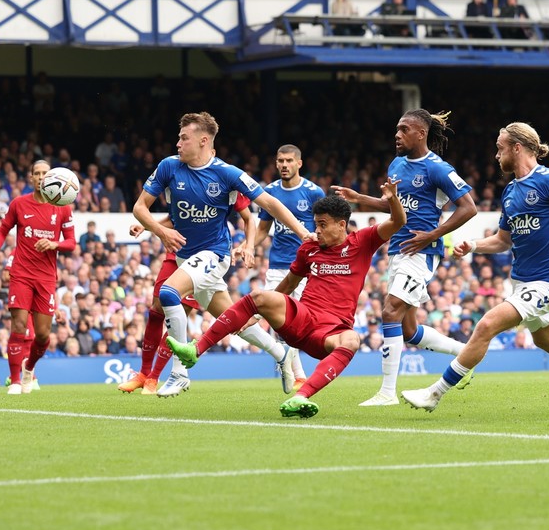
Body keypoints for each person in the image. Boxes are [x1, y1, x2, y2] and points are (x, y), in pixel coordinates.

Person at [401, 122, 549, 412]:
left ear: (517, 147)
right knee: (547, 341)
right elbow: (502, 241)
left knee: (487, 325)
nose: (496, 155)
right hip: (522, 281)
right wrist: (473, 246)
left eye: (500, 148)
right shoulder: (510, 192)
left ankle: (434, 394)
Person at [167, 188, 405, 418]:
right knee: (259, 295)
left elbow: (398, 221)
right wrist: (257, 314)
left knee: (352, 339)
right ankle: (195, 350)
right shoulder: (309, 248)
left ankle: (301, 397)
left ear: (341, 225)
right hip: (302, 318)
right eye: (316, 224)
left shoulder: (362, 241)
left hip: (330, 333)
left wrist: (392, 199)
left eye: (323, 225)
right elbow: (289, 285)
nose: (317, 231)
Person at [132, 112, 313, 397]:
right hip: (186, 257)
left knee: (168, 294)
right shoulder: (168, 167)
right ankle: (282, 355)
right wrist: (160, 231)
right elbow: (139, 208)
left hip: (215, 254)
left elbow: (269, 203)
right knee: (235, 320)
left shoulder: (227, 173)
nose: (178, 143)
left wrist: (303, 233)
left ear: (204, 141)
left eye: (184, 138)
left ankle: (180, 373)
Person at [334, 109, 477, 407]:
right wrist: (360, 199)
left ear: (420, 133)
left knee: (390, 312)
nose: (397, 135)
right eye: (396, 129)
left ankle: (387, 393)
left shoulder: (438, 168)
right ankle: (465, 352)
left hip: (421, 252)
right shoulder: (396, 165)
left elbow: (468, 207)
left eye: (403, 130)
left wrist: (432, 234)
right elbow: (394, 207)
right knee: (409, 331)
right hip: (399, 250)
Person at [119, 192, 255, 395]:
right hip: (176, 253)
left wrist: (248, 245)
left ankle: (154, 378)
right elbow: (173, 219)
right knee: (156, 312)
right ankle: (143, 374)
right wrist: (146, 226)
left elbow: (248, 217)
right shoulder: (178, 174)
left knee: (176, 317)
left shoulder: (225, 180)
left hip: (203, 260)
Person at [0, 160, 76, 395]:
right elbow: (3, 229)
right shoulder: (19, 203)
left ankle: (29, 368)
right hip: (21, 274)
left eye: (45, 173)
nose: (40, 177)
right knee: (18, 327)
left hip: (46, 278)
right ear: (31, 178)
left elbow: (71, 242)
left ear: (51, 177)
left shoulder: (63, 207)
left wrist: (54, 243)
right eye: (37, 173)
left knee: (44, 335)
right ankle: (15, 381)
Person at [253, 144, 326, 391]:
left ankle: (295, 371)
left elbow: (324, 228)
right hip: (277, 266)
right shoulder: (270, 192)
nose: (284, 165)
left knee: (300, 320)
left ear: (299, 164)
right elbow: (263, 229)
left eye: (288, 161)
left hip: (305, 268)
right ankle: (295, 371)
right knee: (276, 319)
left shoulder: (313, 192)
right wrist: (248, 246)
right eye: (280, 161)